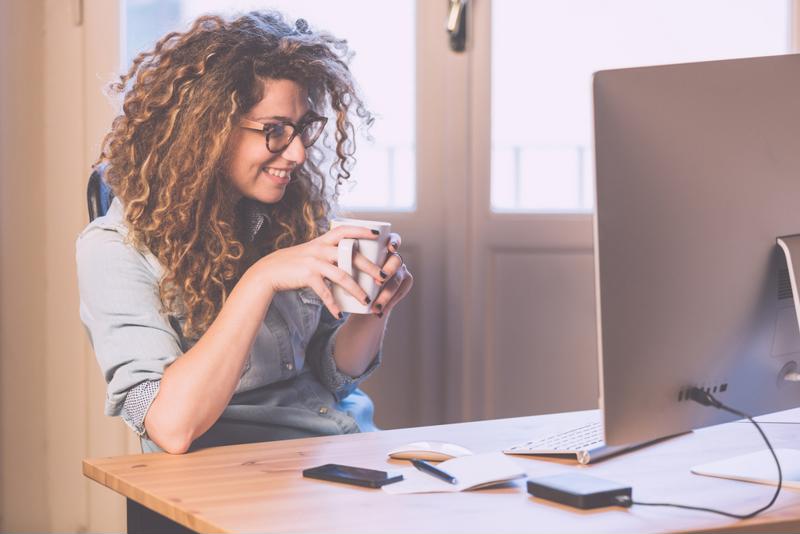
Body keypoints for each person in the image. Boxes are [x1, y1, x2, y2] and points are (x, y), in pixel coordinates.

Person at [76, 11, 413, 455]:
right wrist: (261, 279)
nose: (295, 153)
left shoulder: (292, 214)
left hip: (343, 445)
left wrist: (372, 311)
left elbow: (330, 374)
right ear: (206, 132)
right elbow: (168, 426)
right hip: (241, 472)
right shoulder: (115, 250)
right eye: (273, 131)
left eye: (301, 129)